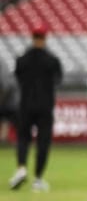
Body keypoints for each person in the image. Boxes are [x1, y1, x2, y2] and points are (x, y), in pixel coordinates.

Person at [9, 24, 62, 192]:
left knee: (23, 138)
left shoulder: (22, 59)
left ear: (32, 38)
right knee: (43, 142)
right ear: (45, 38)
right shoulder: (52, 60)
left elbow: (17, 79)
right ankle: (38, 178)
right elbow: (58, 80)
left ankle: (21, 167)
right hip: (45, 106)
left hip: (25, 104)